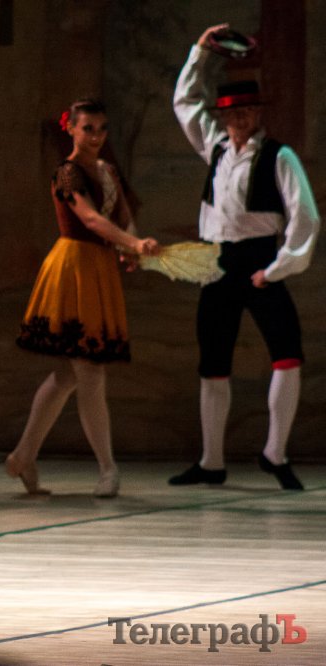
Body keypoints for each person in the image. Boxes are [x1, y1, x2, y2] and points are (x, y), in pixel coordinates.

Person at [169, 24, 320, 490]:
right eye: (234, 113)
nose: (241, 119)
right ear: (224, 116)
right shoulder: (215, 147)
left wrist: (277, 268)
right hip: (218, 263)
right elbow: (185, 102)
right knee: (213, 361)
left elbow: (305, 217)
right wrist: (201, 51)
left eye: (249, 111)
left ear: (258, 113)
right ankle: (211, 461)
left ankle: (275, 452)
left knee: (287, 354)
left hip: (259, 262)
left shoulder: (278, 156)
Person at [8, 99, 160, 497]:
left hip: (98, 269)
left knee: (68, 375)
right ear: (72, 129)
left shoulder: (107, 170)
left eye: (101, 129)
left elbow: (122, 215)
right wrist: (132, 243)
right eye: (88, 128)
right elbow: (90, 218)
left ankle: (23, 455)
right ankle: (108, 468)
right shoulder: (67, 172)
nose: (95, 136)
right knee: (89, 371)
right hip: (73, 268)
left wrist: (131, 245)